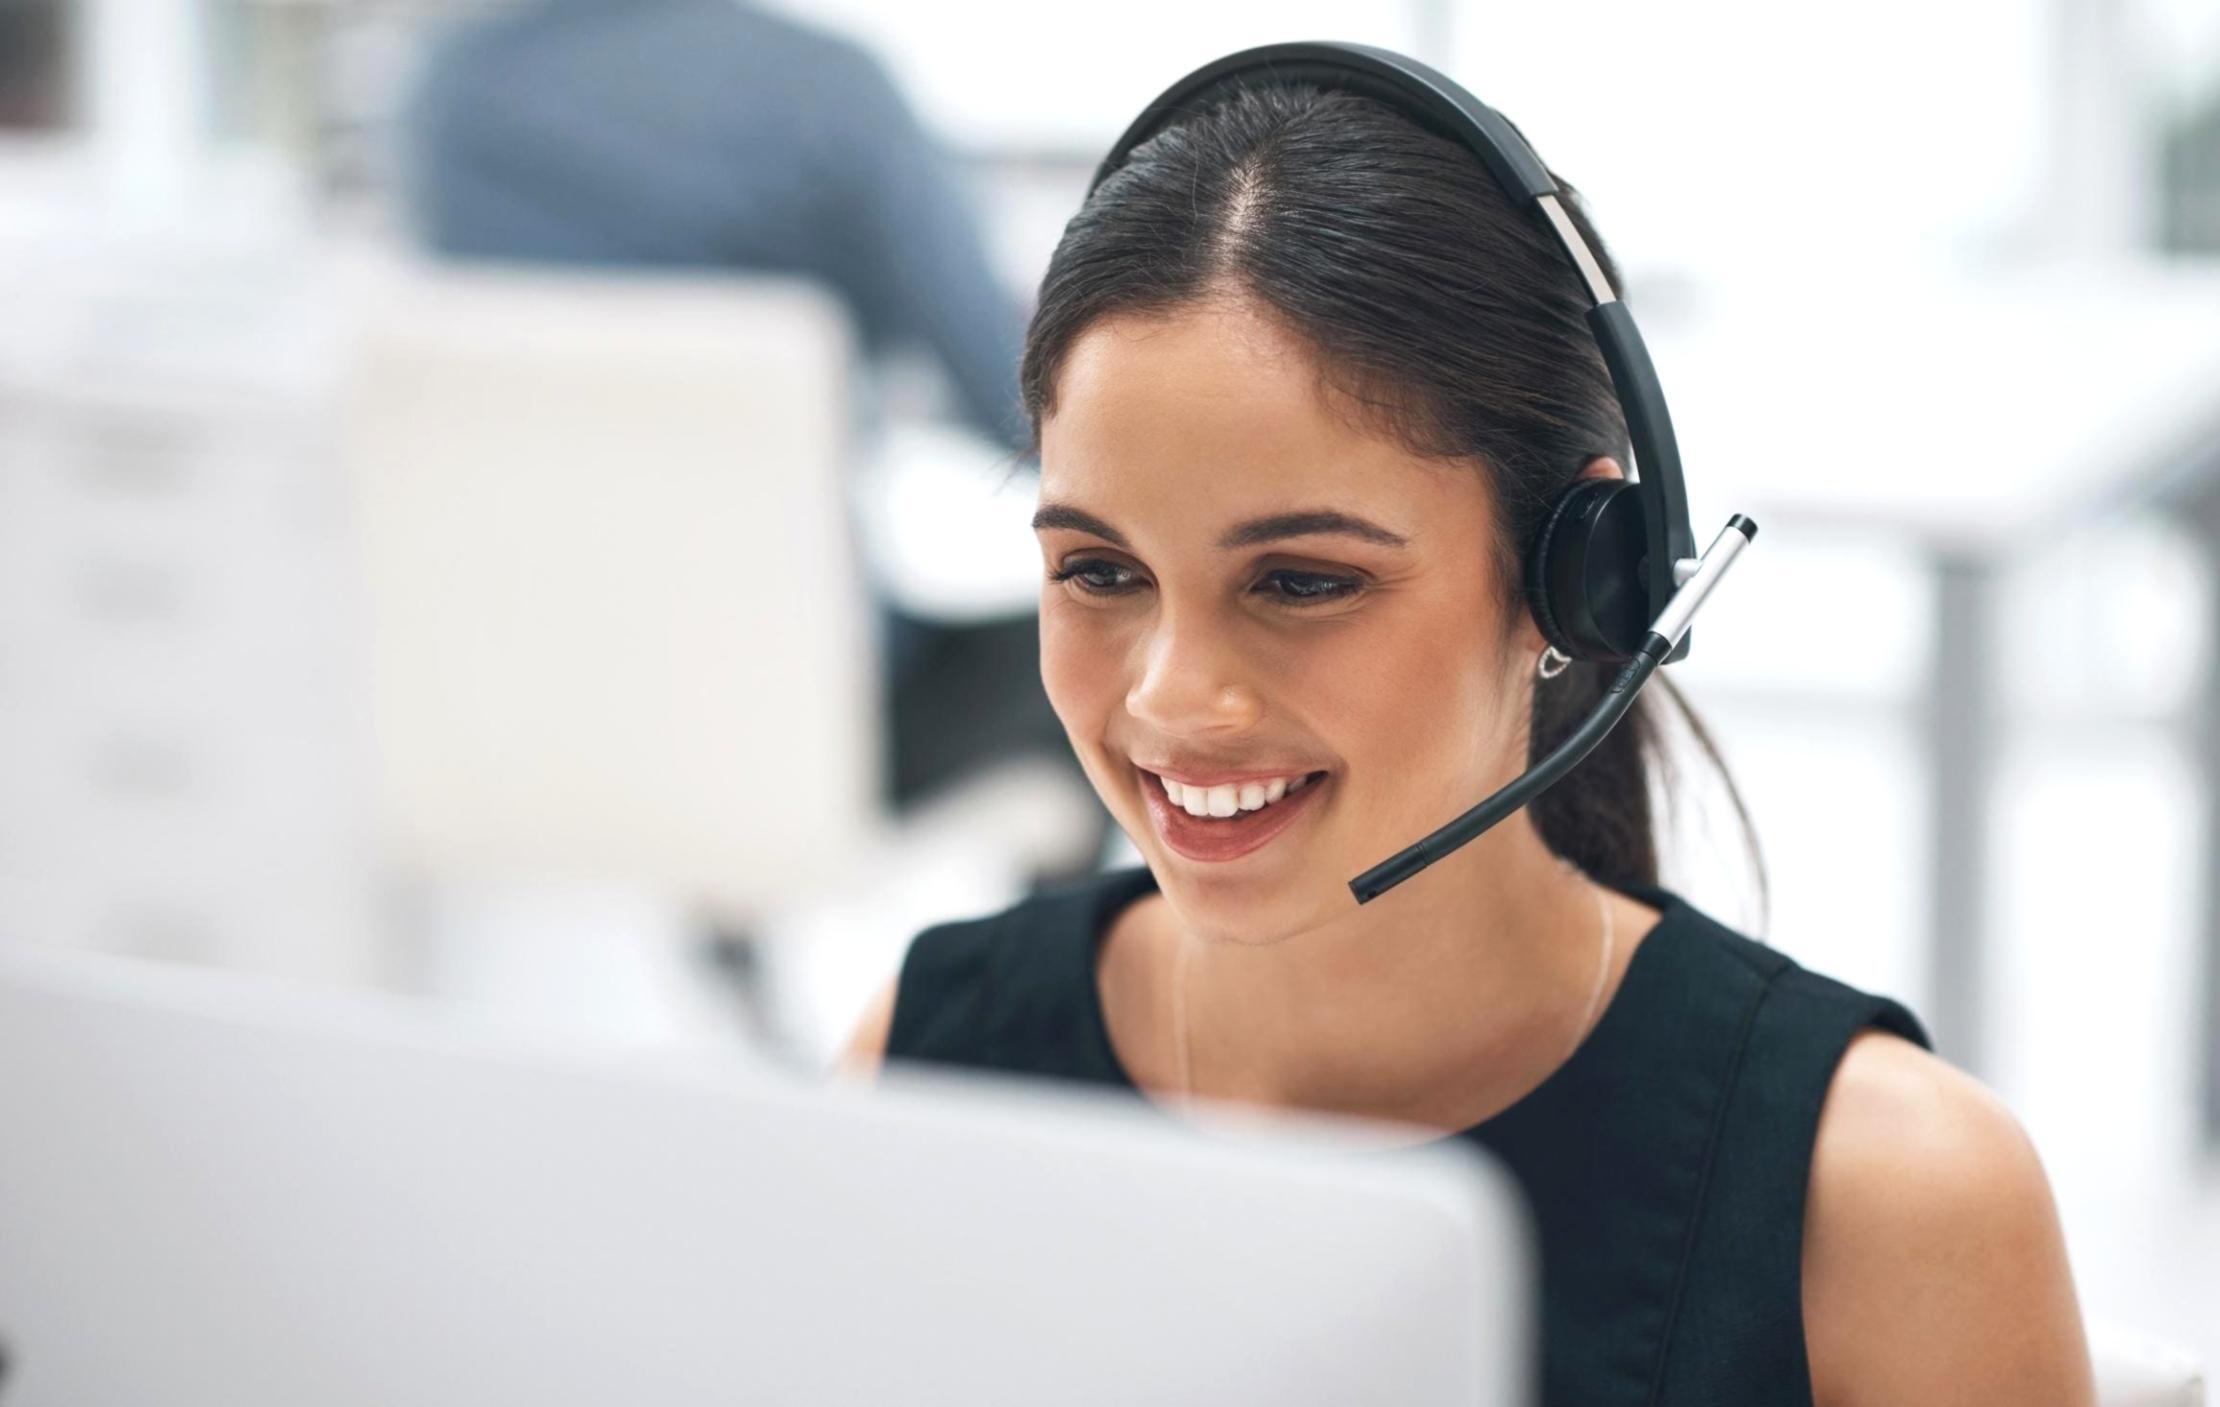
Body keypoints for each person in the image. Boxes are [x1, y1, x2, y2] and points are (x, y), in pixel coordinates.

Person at [835, 78, 2096, 1405]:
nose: (1170, 697)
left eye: (1302, 579)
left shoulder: (1888, 1198)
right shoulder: (930, 1063)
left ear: (1576, 582)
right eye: (1099, 569)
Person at [398, 0, 1092, 831]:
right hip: (808, 714)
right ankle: (1077, 962)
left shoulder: (447, 101)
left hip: (537, 711)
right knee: (1130, 637)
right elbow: (1034, 418)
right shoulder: (830, 99)